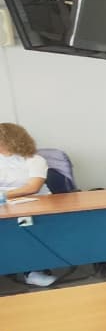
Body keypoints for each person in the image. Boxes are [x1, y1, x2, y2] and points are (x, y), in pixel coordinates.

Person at [0, 123, 56, 287]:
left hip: (36, 203)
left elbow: (33, 187)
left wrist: (3, 195)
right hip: (5, 205)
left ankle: (32, 271)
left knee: (24, 231)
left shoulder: (35, 160)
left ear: (10, 140)